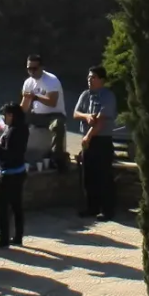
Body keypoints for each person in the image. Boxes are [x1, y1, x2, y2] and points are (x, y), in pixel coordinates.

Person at [74, 66, 117, 220]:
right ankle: (91, 207)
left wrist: (88, 136)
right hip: (88, 140)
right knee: (89, 175)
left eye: (93, 77)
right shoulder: (86, 95)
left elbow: (101, 121)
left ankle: (107, 210)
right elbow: (76, 113)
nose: (90, 80)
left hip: (101, 140)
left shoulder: (107, 96)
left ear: (102, 80)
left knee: (103, 175)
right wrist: (86, 116)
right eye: (89, 77)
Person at [20, 54, 65, 167]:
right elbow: (24, 107)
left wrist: (35, 97)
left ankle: (56, 157)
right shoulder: (28, 83)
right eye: (29, 69)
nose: (31, 72)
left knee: (57, 125)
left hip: (54, 115)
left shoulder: (51, 80)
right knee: (17, 119)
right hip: (37, 115)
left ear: (41, 67)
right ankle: (18, 152)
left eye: (34, 69)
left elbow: (52, 102)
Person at [0, 102, 30, 248]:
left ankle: (4, 239)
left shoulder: (12, 131)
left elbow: (7, 153)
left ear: (11, 115)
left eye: (5, 115)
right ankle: (18, 236)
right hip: (20, 171)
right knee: (17, 206)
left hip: (9, 174)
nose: (4, 118)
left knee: (2, 208)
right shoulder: (23, 128)